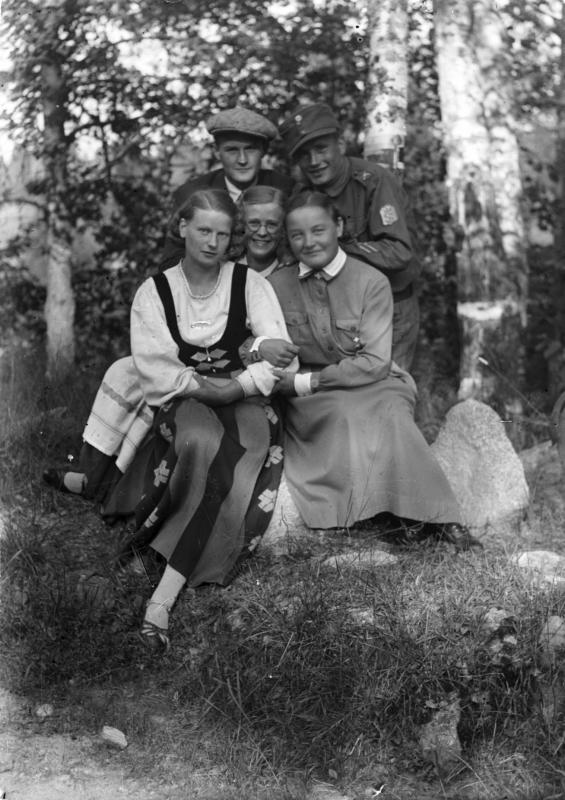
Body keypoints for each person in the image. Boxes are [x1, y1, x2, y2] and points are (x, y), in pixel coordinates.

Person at [47, 189, 298, 648]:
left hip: (247, 398)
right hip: (186, 397)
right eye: (203, 230)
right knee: (200, 442)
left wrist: (236, 386)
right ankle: (160, 579)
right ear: (183, 227)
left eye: (222, 234)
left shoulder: (250, 284)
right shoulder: (155, 292)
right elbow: (159, 369)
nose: (213, 243)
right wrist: (208, 388)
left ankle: (162, 596)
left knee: (238, 452)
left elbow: (280, 358)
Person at [268, 191, 481, 549]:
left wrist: (308, 380)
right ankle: (387, 514)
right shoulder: (276, 285)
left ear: (338, 227)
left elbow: (375, 362)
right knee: (343, 412)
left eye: (318, 230)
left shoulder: (371, 281)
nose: (309, 242)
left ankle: (441, 516)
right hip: (313, 397)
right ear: (287, 239)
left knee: (391, 411)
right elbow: (263, 344)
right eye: (297, 235)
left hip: (372, 379)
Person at [279, 103, 421, 372]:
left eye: (321, 149)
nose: (314, 161)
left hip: (391, 307)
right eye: (304, 155)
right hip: (336, 312)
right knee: (344, 386)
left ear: (341, 145)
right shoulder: (303, 194)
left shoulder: (372, 182)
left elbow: (399, 252)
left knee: (388, 387)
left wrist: (338, 247)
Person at [160, 107, 294, 270]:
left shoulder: (286, 190)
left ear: (263, 151)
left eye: (250, 149)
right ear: (217, 152)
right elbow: (170, 262)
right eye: (232, 150)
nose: (242, 160)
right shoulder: (192, 194)